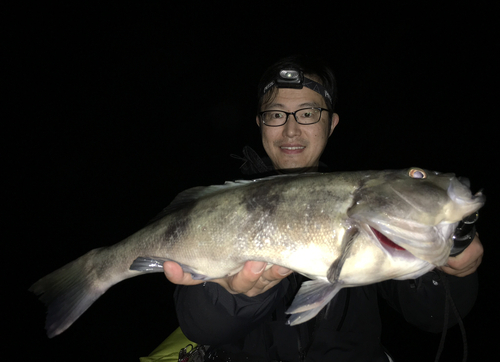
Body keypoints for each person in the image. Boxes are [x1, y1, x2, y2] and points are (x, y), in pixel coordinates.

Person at [162, 55, 483, 361]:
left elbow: (432, 315)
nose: (291, 130)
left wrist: (453, 272)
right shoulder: (222, 207)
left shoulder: (371, 208)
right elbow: (200, 326)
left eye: (308, 113)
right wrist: (238, 297)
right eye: (276, 115)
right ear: (260, 124)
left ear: (331, 124)